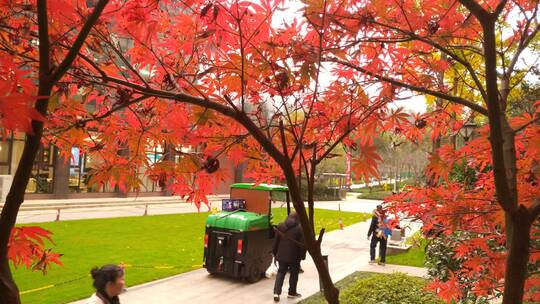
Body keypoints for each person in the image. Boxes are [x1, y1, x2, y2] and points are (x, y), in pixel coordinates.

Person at [272, 212, 306, 302]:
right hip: (294, 256)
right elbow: (303, 244)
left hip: (281, 255)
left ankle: (276, 293)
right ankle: (292, 292)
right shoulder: (299, 228)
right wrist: (303, 256)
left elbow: (276, 241)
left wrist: (274, 253)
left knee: (281, 272)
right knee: (294, 274)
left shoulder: (280, 226)